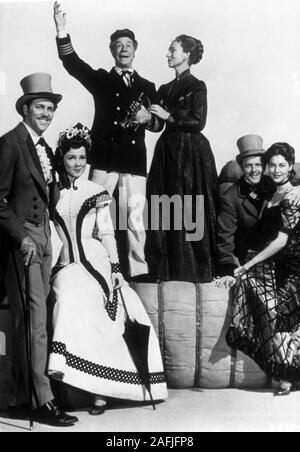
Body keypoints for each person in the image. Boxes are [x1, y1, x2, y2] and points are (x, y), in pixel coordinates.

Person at [48, 124, 168, 415]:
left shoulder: (97, 190)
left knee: (119, 306)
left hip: (98, 259)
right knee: (69, 300)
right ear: (61, 158)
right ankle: (68, 373)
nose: (77, 163)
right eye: (71, 157)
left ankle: (104, 391)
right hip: (66, 264)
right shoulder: (51, 189)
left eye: (82, 158)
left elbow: (107, 233)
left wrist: (115, 268)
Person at [53, 2, 163, 280]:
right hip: (105, 158)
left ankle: (138, 273)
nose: (123, 49)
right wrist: (62, 30)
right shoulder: (102, 80)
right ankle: (91, 264)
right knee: (92, 214)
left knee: (136, 220)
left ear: (135, 49)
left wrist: (147, 120)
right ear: (112, 50)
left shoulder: (148, 87)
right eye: (118, 45)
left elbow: (159, 123)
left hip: (135, 162)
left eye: (128, 44)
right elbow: (72, 64)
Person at [0, 72, 78, 426]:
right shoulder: (10, 143)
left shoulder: (44, 147)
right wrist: (22, 237)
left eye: (50, 108)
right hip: (25, 242)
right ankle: (43, 401)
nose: (46, 113)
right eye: (40, 107)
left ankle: (20, 396)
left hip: (46, 236)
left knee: (38, 319)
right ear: (26, 109)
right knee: (35, 322)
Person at [226, 142, 300, 396]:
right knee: (247, 282)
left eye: (282, 165)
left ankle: (287, 375)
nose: (277, 169)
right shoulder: (270, 192)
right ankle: (284, 371)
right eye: (273, 165)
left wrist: (249, 263)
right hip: (273, 262)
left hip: (294, 267)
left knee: (280, 310)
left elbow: (281, 239)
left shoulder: (295, 195)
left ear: (291, 167)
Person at [145, 35, 218, 283]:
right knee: (163, 207)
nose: (168, 54)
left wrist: (168, 115)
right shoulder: (164, 89)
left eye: (172, 50)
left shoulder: (197, 86)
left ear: (186, 54)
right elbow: (157, 125)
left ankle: (194, 273)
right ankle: (166, 272)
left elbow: (198, 122)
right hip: (167, 153)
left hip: (190, 155)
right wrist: (147, 119)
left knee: (190, 208)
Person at [216, 135, 300, 289]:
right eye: (249, 166)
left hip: (279, 257)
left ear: (264, 166)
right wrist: (228, 270)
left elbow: (289, 184)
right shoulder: (230, 196)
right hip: (249, 256)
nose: (254, 170)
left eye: (258, 165)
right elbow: (224, 239)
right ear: (241, 167)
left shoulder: (272, 182)